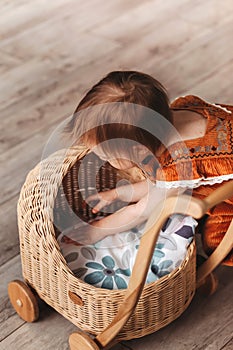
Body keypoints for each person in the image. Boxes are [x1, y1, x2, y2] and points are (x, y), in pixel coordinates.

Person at [64, 70, 233, 266]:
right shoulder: (173, 115)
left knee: (215, 240)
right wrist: (118, 193)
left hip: (228, 198)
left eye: (106, 156)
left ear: (139, 150)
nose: (104, 160)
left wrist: (97, 230)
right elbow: (155, 185)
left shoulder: (178, 168)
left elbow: (142, 211)